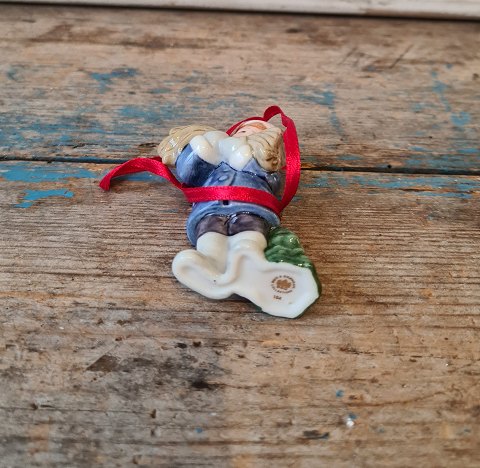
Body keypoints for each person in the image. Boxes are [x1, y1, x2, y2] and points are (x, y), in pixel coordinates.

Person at [157, 119, 319, 318]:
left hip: (250, 205)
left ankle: (249, 260)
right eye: (242, 131)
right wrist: (201, 151)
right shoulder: (218, 160)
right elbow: (190, 175)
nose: (244, 134)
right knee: (210, 232)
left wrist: (247, 159)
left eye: (251, 132)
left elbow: (273, 183)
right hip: (210, 207)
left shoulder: (265, 160)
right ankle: (210, 265)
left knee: (247, 230)